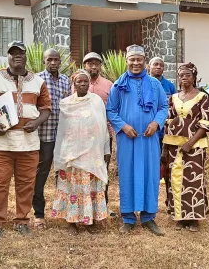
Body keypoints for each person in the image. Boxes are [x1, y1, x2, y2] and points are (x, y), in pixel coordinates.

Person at [0, 41, 52, 240]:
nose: (17, 56)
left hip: (28, 142)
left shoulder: (37, 81)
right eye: (13, 53)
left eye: (20, 53)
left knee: (26, 184)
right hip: (1, 142)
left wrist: (36, 122)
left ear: (26, 56)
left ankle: (21, 220)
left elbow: (46, 108)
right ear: (8, 57)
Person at [106, 45, 168, 236]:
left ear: (144, 61)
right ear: (126, 61)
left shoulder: (155, 84)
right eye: (132, 59)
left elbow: (163, 106)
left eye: (139, 59)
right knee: (128, 174)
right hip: (127, 140)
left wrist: (156, 124)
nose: (135, 63)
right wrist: (123, 126)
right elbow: (110, 110)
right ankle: (128, 218)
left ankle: (149, 217)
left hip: (149, 140)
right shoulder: (118, 85)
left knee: (150, 175)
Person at [51, 70, 110, 235]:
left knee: (90, 186)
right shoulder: (66, 103)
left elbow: (103, 126)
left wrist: (106, 149)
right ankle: (71, 221)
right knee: (72, 186)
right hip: (72, 152)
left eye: (85, 82)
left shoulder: (97, 101)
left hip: (92, 152)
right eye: (79, 82)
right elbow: (62, 130)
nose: (83, 84)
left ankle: (89, 220)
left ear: (89, 83)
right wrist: (62, 153)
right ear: (74, 84)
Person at [161, 63, 209, 232]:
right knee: (174, 179)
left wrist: (190, 142)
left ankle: (194, 218)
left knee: (193, 179)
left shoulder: (202, 97)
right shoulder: (173, 98)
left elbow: (205, 123)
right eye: (181, 75)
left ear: (194, 77)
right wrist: (165, 148)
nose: (184, 77)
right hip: (173, 145)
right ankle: (179, 216)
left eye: (188, 75)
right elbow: (168, 120)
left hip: (195, 145)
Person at [33, 48, 71, 229]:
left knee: (63, 174)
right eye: (50, 60)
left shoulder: (66, 81)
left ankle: (64, 210)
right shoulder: (37, 80)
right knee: (41, 174)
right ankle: (38, 214)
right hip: (44, 135)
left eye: (56, 60)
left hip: (63, 136)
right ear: (44, 61)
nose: (53, 63)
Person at [82, 52, 116, 217]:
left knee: (103, 170)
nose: (93, 66)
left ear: (101, 66)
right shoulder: (78, 83)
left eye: (96, 63)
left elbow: (113, 109)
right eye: (89, 63)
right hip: (82, 137)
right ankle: (85, 207)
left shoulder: (109, 85)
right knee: (83, 172)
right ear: (84, 65)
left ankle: (104, 207)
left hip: (103, 136)